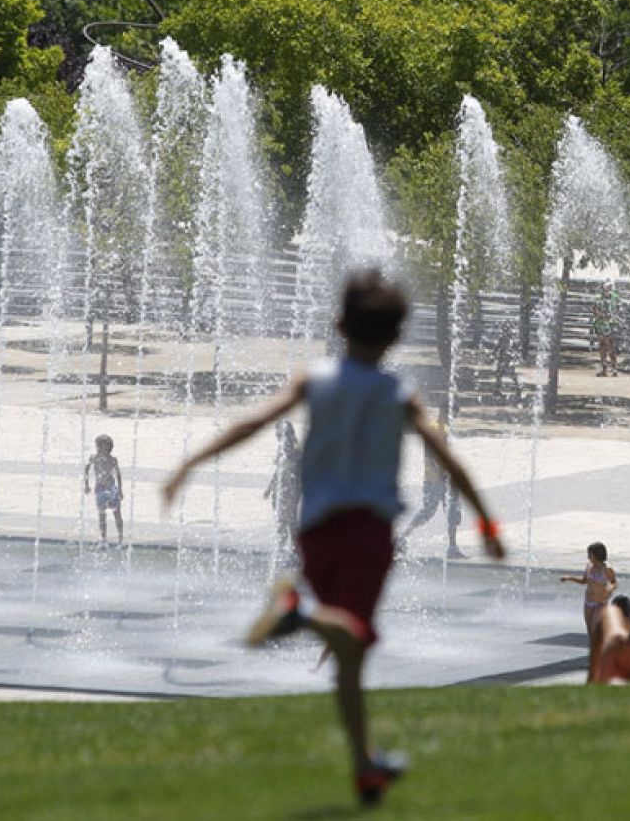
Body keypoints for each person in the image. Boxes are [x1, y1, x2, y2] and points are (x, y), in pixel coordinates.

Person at [161, 269, 506, 808]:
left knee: (349, 658)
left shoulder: (313, 380)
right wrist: (487, 523)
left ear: (339, 324)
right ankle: (295, 612)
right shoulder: (398, 394)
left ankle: (366, 766)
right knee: (356, 638)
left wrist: (190, 462)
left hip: (315, 534)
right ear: (395, 336)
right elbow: (451, 465)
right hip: (369, 533)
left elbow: (253, 422)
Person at [395, 419, 463, 559]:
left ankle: (452, 547)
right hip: (435, 479)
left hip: (442, 477)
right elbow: (432, 456)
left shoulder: (443, 427)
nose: (455, 413)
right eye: (453, 410)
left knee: (452, 509)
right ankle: (403, 538)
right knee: (429, 511)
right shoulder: (436, 429)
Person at [262, 421, 303, 565]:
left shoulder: (296, 452)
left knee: (290, 522)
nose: (277, 437)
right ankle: (280, 551)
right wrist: (269, 488)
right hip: (279, 491)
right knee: (281, 522)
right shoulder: (281, 450)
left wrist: (300, 490)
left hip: (291, 490)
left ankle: (295, 551)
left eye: (278, 434)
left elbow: (300, 473)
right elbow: (278, 471)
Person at [561, 542, 618, 638]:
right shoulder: (589, 567)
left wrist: (610, 589)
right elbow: (584, 581)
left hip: (600, 602)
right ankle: (594, 649)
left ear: (597, 555)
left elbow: (614, 582)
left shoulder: (607, 569)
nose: (588, 557)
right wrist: (569, 578)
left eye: (590, 555)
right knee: (590, 628)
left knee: (598, 628)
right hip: (588, 602)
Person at [82, 433, 124, 545]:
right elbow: (86, 470)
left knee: (117, 513)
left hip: (111, 488)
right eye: (99, 446)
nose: (101, 449)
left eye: (104, 447)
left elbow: (118, 475)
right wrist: (86, 485)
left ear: (109, 448)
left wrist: (120, 490)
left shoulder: (113, 460)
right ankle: (103, 538)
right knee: (102, 514)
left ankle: (120, 536)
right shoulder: (94, 458)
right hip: (100, 489)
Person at [591, 281, 621, 377]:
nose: (608, 289)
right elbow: (594, 310)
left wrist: (613, 317)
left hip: (611, 325)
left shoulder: (615, 298)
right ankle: (604, 369)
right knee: (602, 346)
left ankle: (614, 368)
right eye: (606, 288)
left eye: (609, 287)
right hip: (601, 325)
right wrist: (602, 315)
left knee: (611, 346)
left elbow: (619, 310)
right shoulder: (598, 299)